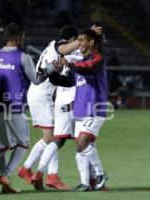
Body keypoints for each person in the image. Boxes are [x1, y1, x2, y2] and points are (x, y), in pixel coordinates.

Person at [0, 22, 44, 193]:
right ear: (17, 37)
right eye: (22, 37)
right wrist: (51, 69)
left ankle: (5, 183)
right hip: (15, 107)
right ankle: (5, 174)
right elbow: (36, 79)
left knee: (1, 148)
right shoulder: (23, 57)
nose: (23, 40)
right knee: (23, 144)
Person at [17, 26, 80, 191]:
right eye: (76, 41)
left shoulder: (52, 49)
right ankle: (47, 175)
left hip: (39, 94)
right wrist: (83, 39)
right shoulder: (57, 47)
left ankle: (32, 170)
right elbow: (65, 48)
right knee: (52, 137)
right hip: (41, 96)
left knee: (51, 137)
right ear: (71, 38)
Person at [55, 29, 108, 191]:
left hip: (94, 107)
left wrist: (69, 63)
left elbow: (88, 70)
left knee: (83, 141)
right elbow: (68, 81)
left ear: (91, 42)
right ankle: (85, 182)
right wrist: (50, 74)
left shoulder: (97, 58)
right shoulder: (80, 61)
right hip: (80, 109)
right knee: (80, 147)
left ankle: (100, 174)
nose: (79, 43)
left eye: (81, 40)